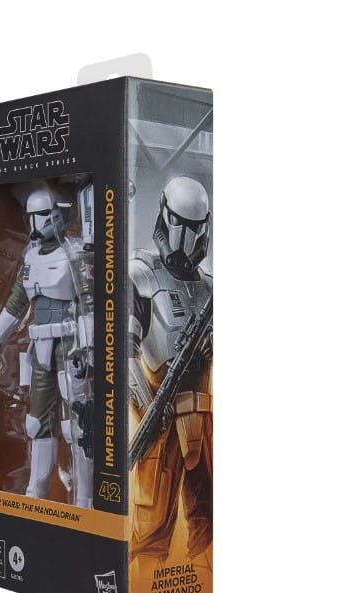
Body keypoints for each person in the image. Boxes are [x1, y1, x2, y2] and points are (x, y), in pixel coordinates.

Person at [0, 183, 94, 508]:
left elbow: (89, 304)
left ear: (57, 214)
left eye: (41, 215)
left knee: (78, 425)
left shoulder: (75, 254)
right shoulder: (30, 258)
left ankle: (85, 499)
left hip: (71, 347)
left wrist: (88, 350)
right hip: (40, 348)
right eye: (30, 216)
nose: (34, 223)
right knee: (37, 422)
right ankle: (36, 493)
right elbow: (17, 303)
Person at [129, 176, 213, 558]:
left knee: (208, 522)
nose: (185, 236)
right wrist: (149, 409)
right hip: (159, 414)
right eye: (178, 223)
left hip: (205, 420)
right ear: (165, 215)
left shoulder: (211, 288)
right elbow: (122, 352)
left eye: (194, 227)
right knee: (151, 531)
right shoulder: (141, 275)